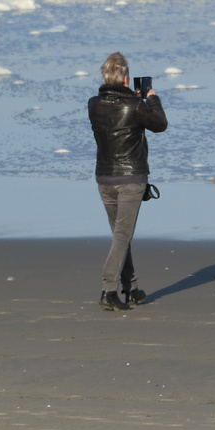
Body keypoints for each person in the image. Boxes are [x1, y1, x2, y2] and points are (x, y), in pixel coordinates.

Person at [88, 51, 167, 311]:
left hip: (105, 179)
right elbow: (160, 125)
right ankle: (108, 290)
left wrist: (136, 100)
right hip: (131, 178)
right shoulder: (135, 106)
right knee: (122, 234)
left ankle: (131, 288)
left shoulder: (93, 104)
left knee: (121, 234)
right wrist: (152, 99)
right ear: (125, 79)